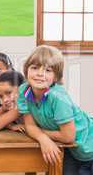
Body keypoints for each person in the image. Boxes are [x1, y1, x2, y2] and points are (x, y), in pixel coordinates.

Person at [17, 45, 93, 175]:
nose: (40, 74)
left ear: (56, 77)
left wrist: (40, 132)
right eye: (34, 68)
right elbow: (29, 125)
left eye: (48, 70)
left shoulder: (58, 98)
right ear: (26, 70)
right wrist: (43, 139)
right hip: (71, 149)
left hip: (89, 146)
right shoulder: (24, 90)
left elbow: (68, 136)